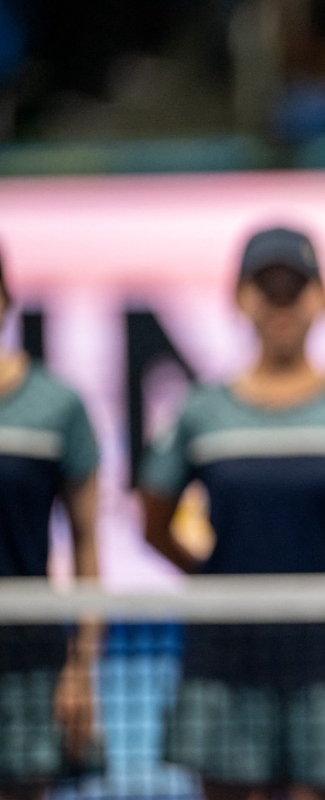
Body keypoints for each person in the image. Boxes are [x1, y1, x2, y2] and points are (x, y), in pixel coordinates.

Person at [139, 227, 325, 800]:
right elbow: (154, 521)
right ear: (241, 298)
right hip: (225, 657)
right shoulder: (202, 410)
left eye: (295, 286)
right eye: (266, 286)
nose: (281, 300)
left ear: (320, 298)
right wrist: (216, 580)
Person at [0, 248, 103, 798]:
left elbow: (87, 545)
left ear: (7, 298)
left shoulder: (57, 406)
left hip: (28, 660)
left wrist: (81, 669)